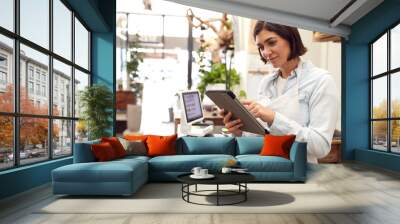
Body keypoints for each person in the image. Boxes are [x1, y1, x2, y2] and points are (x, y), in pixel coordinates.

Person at [221, 21, 338, 163]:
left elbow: (320, 147)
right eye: (261, 47)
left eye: (271, 42)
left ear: (290, 38)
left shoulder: (320, 81)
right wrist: (240, 132)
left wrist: (273, 118)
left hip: (300, 173)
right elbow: (266, 136)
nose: (265, 52)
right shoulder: (266, 83)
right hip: (265, 168)